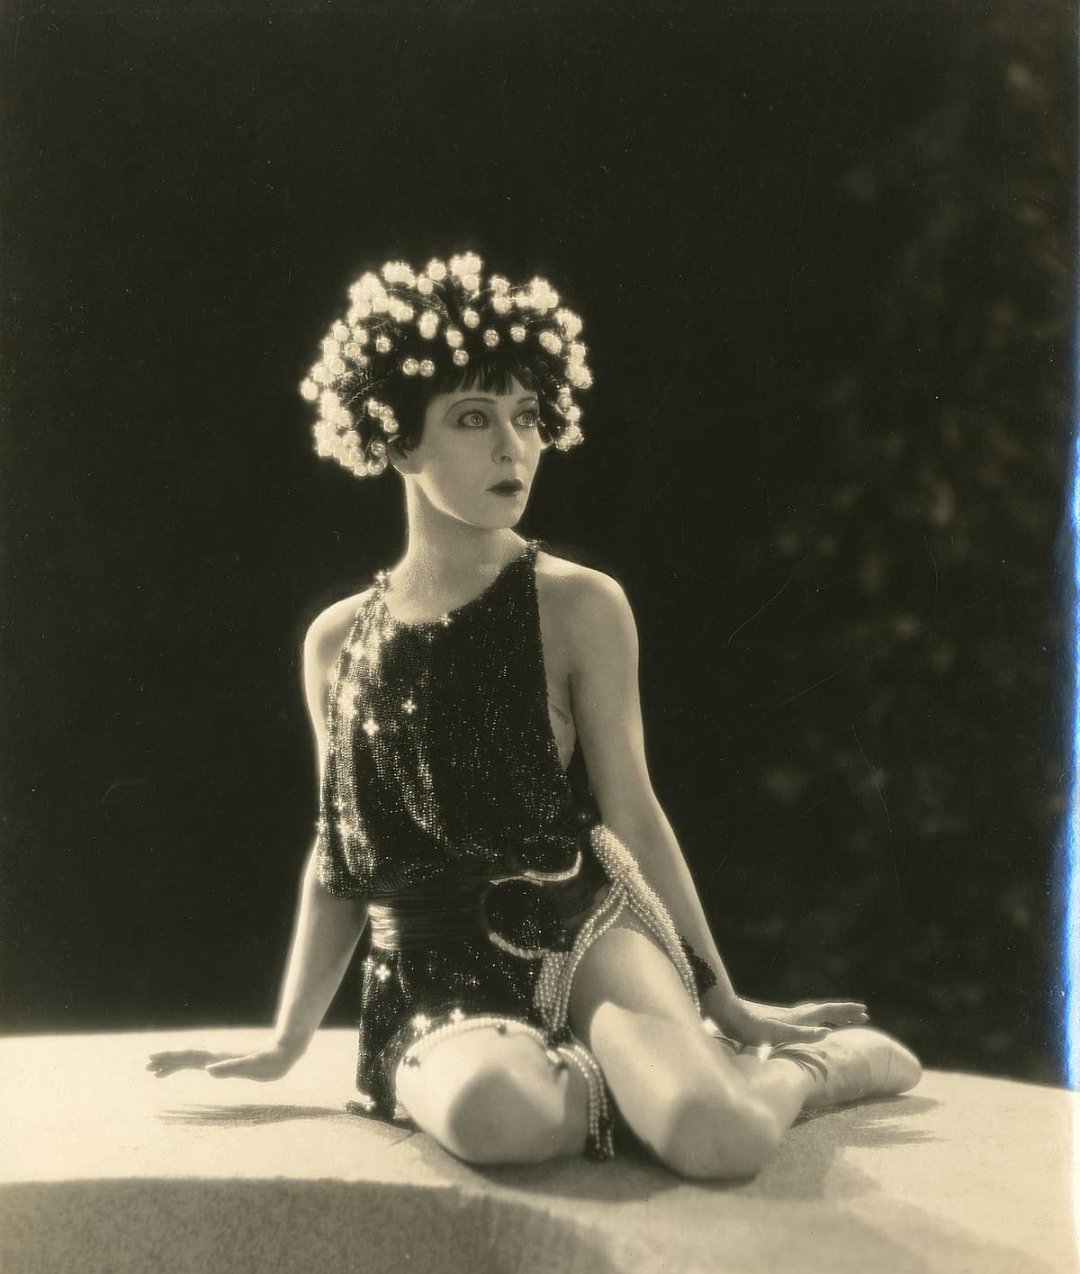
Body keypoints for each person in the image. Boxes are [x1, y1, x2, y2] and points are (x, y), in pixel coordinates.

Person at [147, 252, 920, 1177]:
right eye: (473, 420)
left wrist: (728, 1002)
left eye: (526, 417)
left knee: (720, 1140)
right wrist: (284, 1043)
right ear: (395, 441)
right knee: (493, 1118)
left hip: (587, 925)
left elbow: (633, 815)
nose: (513, 448)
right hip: (431, 974)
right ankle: (628, 1079)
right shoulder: (334, 641)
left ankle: (802, 1073)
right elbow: (340, 853)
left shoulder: (580, 604)